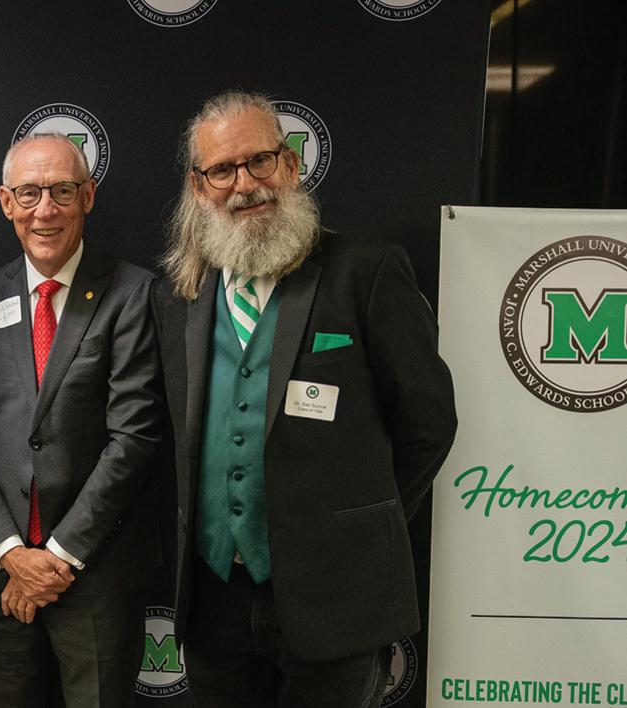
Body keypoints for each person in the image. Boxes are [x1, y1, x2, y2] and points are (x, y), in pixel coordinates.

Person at [151, 90, 458, 706]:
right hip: (214, 602)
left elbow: (428, 423)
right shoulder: (177, 298)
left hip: (337, 600)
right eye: (222, 170)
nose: (245, 184)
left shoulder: (365, 272)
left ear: (290, 165)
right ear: (199, 187)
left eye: (259, 161)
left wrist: (359, 530)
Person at [0, 134, 163, 708]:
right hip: (0, 574)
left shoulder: (133, 294)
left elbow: (133, 439)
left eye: (62, 192)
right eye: (29, 193)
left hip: (94, 572)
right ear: (6, 202)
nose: (44, 210)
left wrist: (56, 557)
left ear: (88, 196)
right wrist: (10, 552)